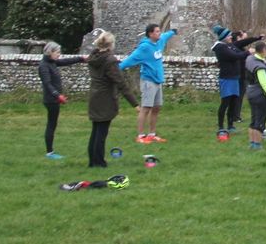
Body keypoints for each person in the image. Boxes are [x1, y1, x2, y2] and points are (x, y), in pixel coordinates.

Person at [86, 30, 139, 168]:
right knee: (101, 132)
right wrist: (134, 103)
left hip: (95, 95)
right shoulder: (109, 60)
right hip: (105, 97)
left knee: (96, 129)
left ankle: (93, 160)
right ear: (111, 45)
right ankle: (99, 162)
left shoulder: (93, 56)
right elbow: (120, 82)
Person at [119, 23, 177, 144]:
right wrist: (117, 68)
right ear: (150, 34)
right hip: (148, 81)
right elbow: (131, 59)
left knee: (156, 108)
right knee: (145, 108)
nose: (159, 33)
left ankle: (152, 134)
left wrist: (173, 32)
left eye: (159, 31)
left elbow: (166, 35)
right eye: (156, 32)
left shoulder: (160, 41)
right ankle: (140, 136)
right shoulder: (144, 48)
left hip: (158, 81)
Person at [39, 41, 85, 160]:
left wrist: (81, 58)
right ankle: (50, 152)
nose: (59, 54)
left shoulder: (51, 62)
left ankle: (50, 151)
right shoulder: (44, 65)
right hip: (51, 100)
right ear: (50, 52)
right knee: (51, 125)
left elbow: (65, 61)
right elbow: (47, 84)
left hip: (54, 99)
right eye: (57, 52)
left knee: (53, 124)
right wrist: (57, 95)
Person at [211, 25, 259, 134]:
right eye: (228, 36)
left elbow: (242, 44)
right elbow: (235, 56)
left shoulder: (229, 45)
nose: (230, 37)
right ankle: (221, 126)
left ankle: (230, 125)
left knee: (233, 102)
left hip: (234, 78)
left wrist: (257, 38)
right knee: (225, 103)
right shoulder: (221, 48)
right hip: (226, 78)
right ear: (224, 37)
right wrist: (248, 52)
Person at [244, 41, 266, 150]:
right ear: (263, 50)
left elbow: (251, 53)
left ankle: (252, 143)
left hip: (250, 92)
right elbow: (264, 83)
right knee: (260, 120)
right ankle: (257, 145)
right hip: (259, 95)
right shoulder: (260, 67)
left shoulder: (250, 59)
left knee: (254, 119)